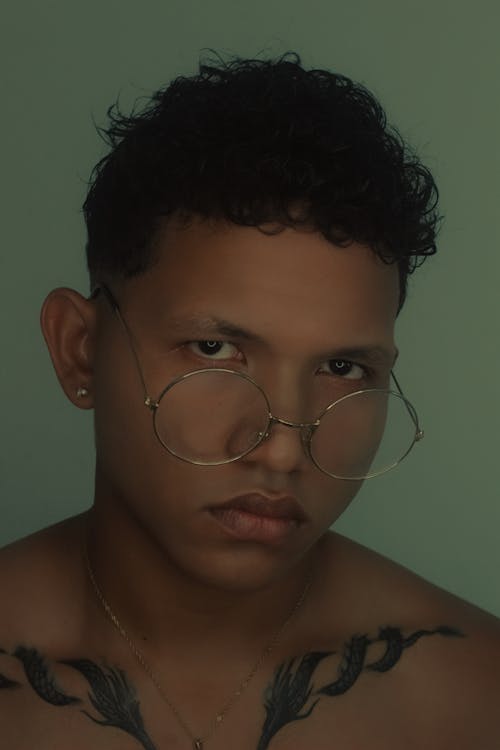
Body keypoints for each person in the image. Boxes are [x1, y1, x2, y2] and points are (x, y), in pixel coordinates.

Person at [1, 51, 499, 750]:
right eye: (215, 351)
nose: (285, 446)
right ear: (79, 349)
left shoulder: (475, 695)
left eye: (342, 365)